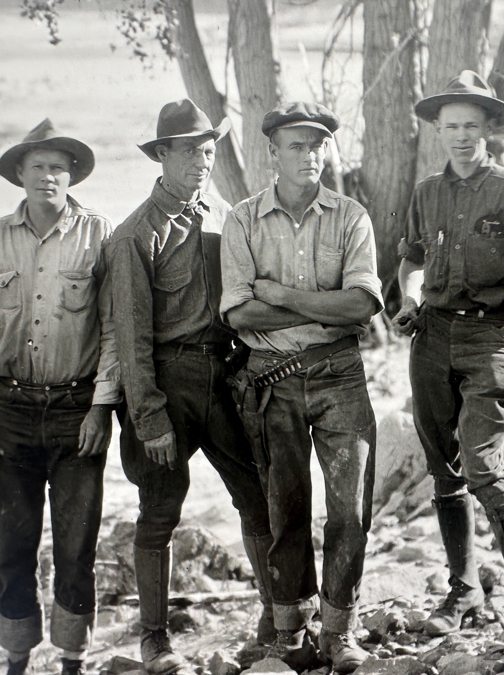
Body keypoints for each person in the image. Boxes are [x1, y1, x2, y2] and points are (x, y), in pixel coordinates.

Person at [105, 100, 275, 675]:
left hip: (222, 377)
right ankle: (155, 640)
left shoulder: (223, 217)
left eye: (208, 150)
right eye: (189, 151)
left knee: (254, 497)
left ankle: (275, 619)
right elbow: (130, 338)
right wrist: (148, 417)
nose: (202, 160)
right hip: (166, 384)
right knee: (158, 513)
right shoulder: (135, 235)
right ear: (162, 156)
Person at [391, 70, 504, 642]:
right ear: (439, 129)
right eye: (451, 125)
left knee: (482, 461)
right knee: (445, 470)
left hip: (494, 339)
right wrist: (409, 301)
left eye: (472, 125)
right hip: (431, 337)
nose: (461, 136)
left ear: (489, 127)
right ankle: (463, 589)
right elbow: (411, 259)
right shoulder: (427, 193)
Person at [220, 102, 382, 674]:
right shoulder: (242, 219)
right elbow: (239, 314)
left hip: (341, 374)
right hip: (272, 379)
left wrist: (283, 297)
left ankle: (339, 630)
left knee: (350, 508)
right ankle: (290, 632)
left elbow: (361, 305)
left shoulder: (350, 215)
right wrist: (321, 310)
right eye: (296, 145)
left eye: (317, 145)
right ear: (272, 152)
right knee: (284, 504)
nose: (309, 155)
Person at [0, 120, 119, 675]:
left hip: (79, 413)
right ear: (19, 175)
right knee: (11, 546)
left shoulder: (98, 234)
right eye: (38, 166)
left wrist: (101, 406)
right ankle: (16, 655)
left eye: (58, 167)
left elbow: (116, 328)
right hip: (8, 413)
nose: (48, 176)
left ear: (71, 176)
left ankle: (73, 658)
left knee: (76, 546)